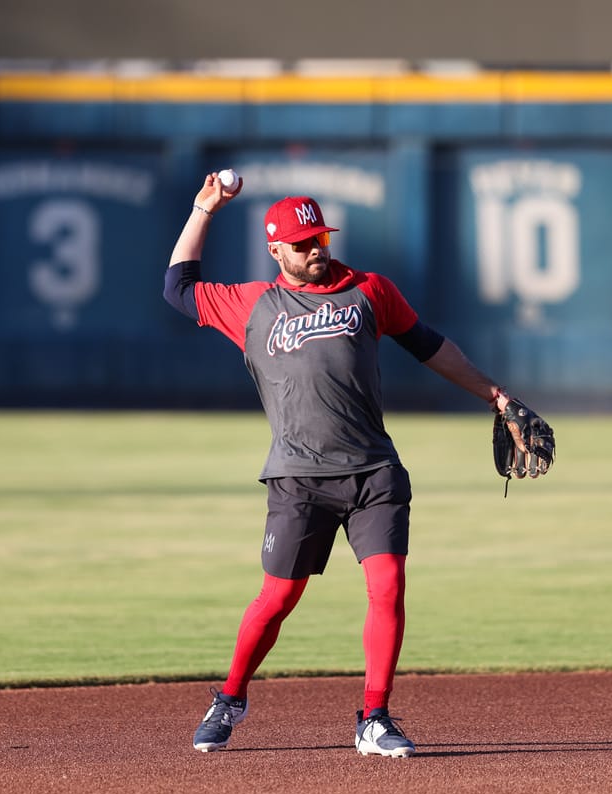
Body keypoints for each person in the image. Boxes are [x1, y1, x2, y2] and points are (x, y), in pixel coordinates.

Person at [162, 173, 553, 757]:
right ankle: (231, 697)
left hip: (374, 473)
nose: (316, 249)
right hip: (298, 478)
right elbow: (176, 287)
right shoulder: (253, 304)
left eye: (320, 237)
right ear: (276, 251)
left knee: (388, 587)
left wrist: (495, 395)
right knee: (277, 599)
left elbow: (430, 345)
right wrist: (202, 209)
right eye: (302, 244)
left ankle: (375, 716)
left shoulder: (370, 290)